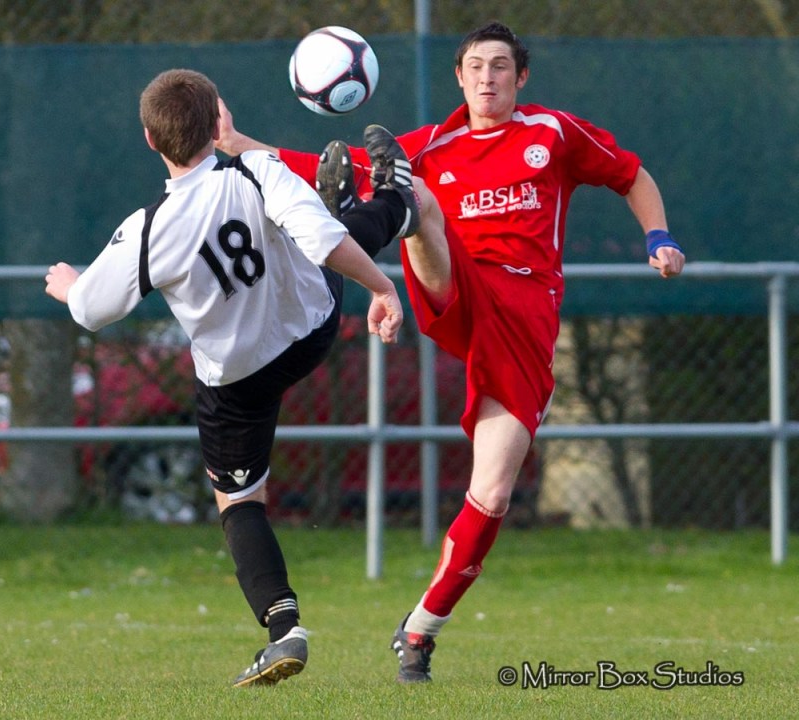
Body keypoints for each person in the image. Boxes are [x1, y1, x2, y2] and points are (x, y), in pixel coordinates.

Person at [214, 21, 686, 683]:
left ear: (520, 77)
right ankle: (395, 214)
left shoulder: (553, 132)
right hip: (459, 289)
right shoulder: (435, 143)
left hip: (524, 318)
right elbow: (324, 161)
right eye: (476, 67)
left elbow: (632, 175)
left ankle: (419, 632)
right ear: (459, 78)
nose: (488, 77)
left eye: (500, 66)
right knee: (418, 196)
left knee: (492, 493)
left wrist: (659, 237)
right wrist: (240, 145)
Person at [44, 68, 425, 687]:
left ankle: (284, 631)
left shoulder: (148, 229)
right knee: (324, 234)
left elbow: (91, 310)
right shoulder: (256, 169)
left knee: (241, 502)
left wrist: (70, 287)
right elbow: (324, 242)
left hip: (237, 379)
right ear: (218, 123)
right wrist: (382, 287)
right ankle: (393, 203)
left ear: (149, 139)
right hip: (311, 332)